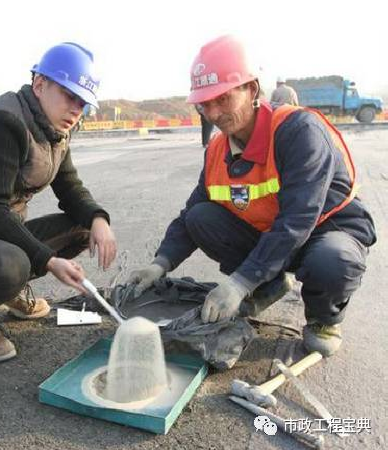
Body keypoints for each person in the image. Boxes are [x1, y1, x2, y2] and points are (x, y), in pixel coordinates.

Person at [129, 35, 375, 357]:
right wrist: (160, 264)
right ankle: (269, 285)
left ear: (252, 89)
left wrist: (239, 283)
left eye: (223, 98)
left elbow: (298, 219)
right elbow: (190, 214)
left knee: (331, 261)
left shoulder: (298, 132)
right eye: (205, 104)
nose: (214, 113)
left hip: (325, 231)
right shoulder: (218, 150)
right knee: (200, 216)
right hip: (273, 236)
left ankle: (322, 319)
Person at [0, 42, 117, 362]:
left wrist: (98, 219)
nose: (76, 109)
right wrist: (49, 261)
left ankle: (9, 290)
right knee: (14, 264)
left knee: (83, 229)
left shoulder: (56, 131)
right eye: (70, 96)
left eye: (83, 103)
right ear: (40, 84)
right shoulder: (1, 122)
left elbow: (70, 188)